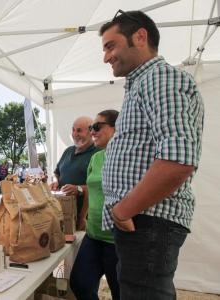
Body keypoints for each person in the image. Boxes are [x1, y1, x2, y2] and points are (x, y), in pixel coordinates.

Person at [99, 10, 204, 299]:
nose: (106, 57)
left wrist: (123, 209)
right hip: (143, 221)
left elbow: (178, 160)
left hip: (148, 220)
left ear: (140, 37)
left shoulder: (160, 78)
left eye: (110, 45)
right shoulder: (143, 83)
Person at [70, 110, 120, 300]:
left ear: (115, 128)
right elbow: (91, 189)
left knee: (120, 292)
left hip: (116, 239)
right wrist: (83, 216)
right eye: (91, 128)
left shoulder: (128, 157)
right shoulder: (96, 158)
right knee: (80, 283)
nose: (92, 132)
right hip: (93, 234)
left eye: (97, 127)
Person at [50, 116, 98, 229]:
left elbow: (98, 187)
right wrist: (55, 182)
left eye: (79, 130)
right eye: (73, 130)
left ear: (91, 131)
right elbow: (57, 173)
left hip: (85, 218)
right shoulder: (68, 151)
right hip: (62, 214)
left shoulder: (98, 153)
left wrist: (79, 189)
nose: (75, 134)